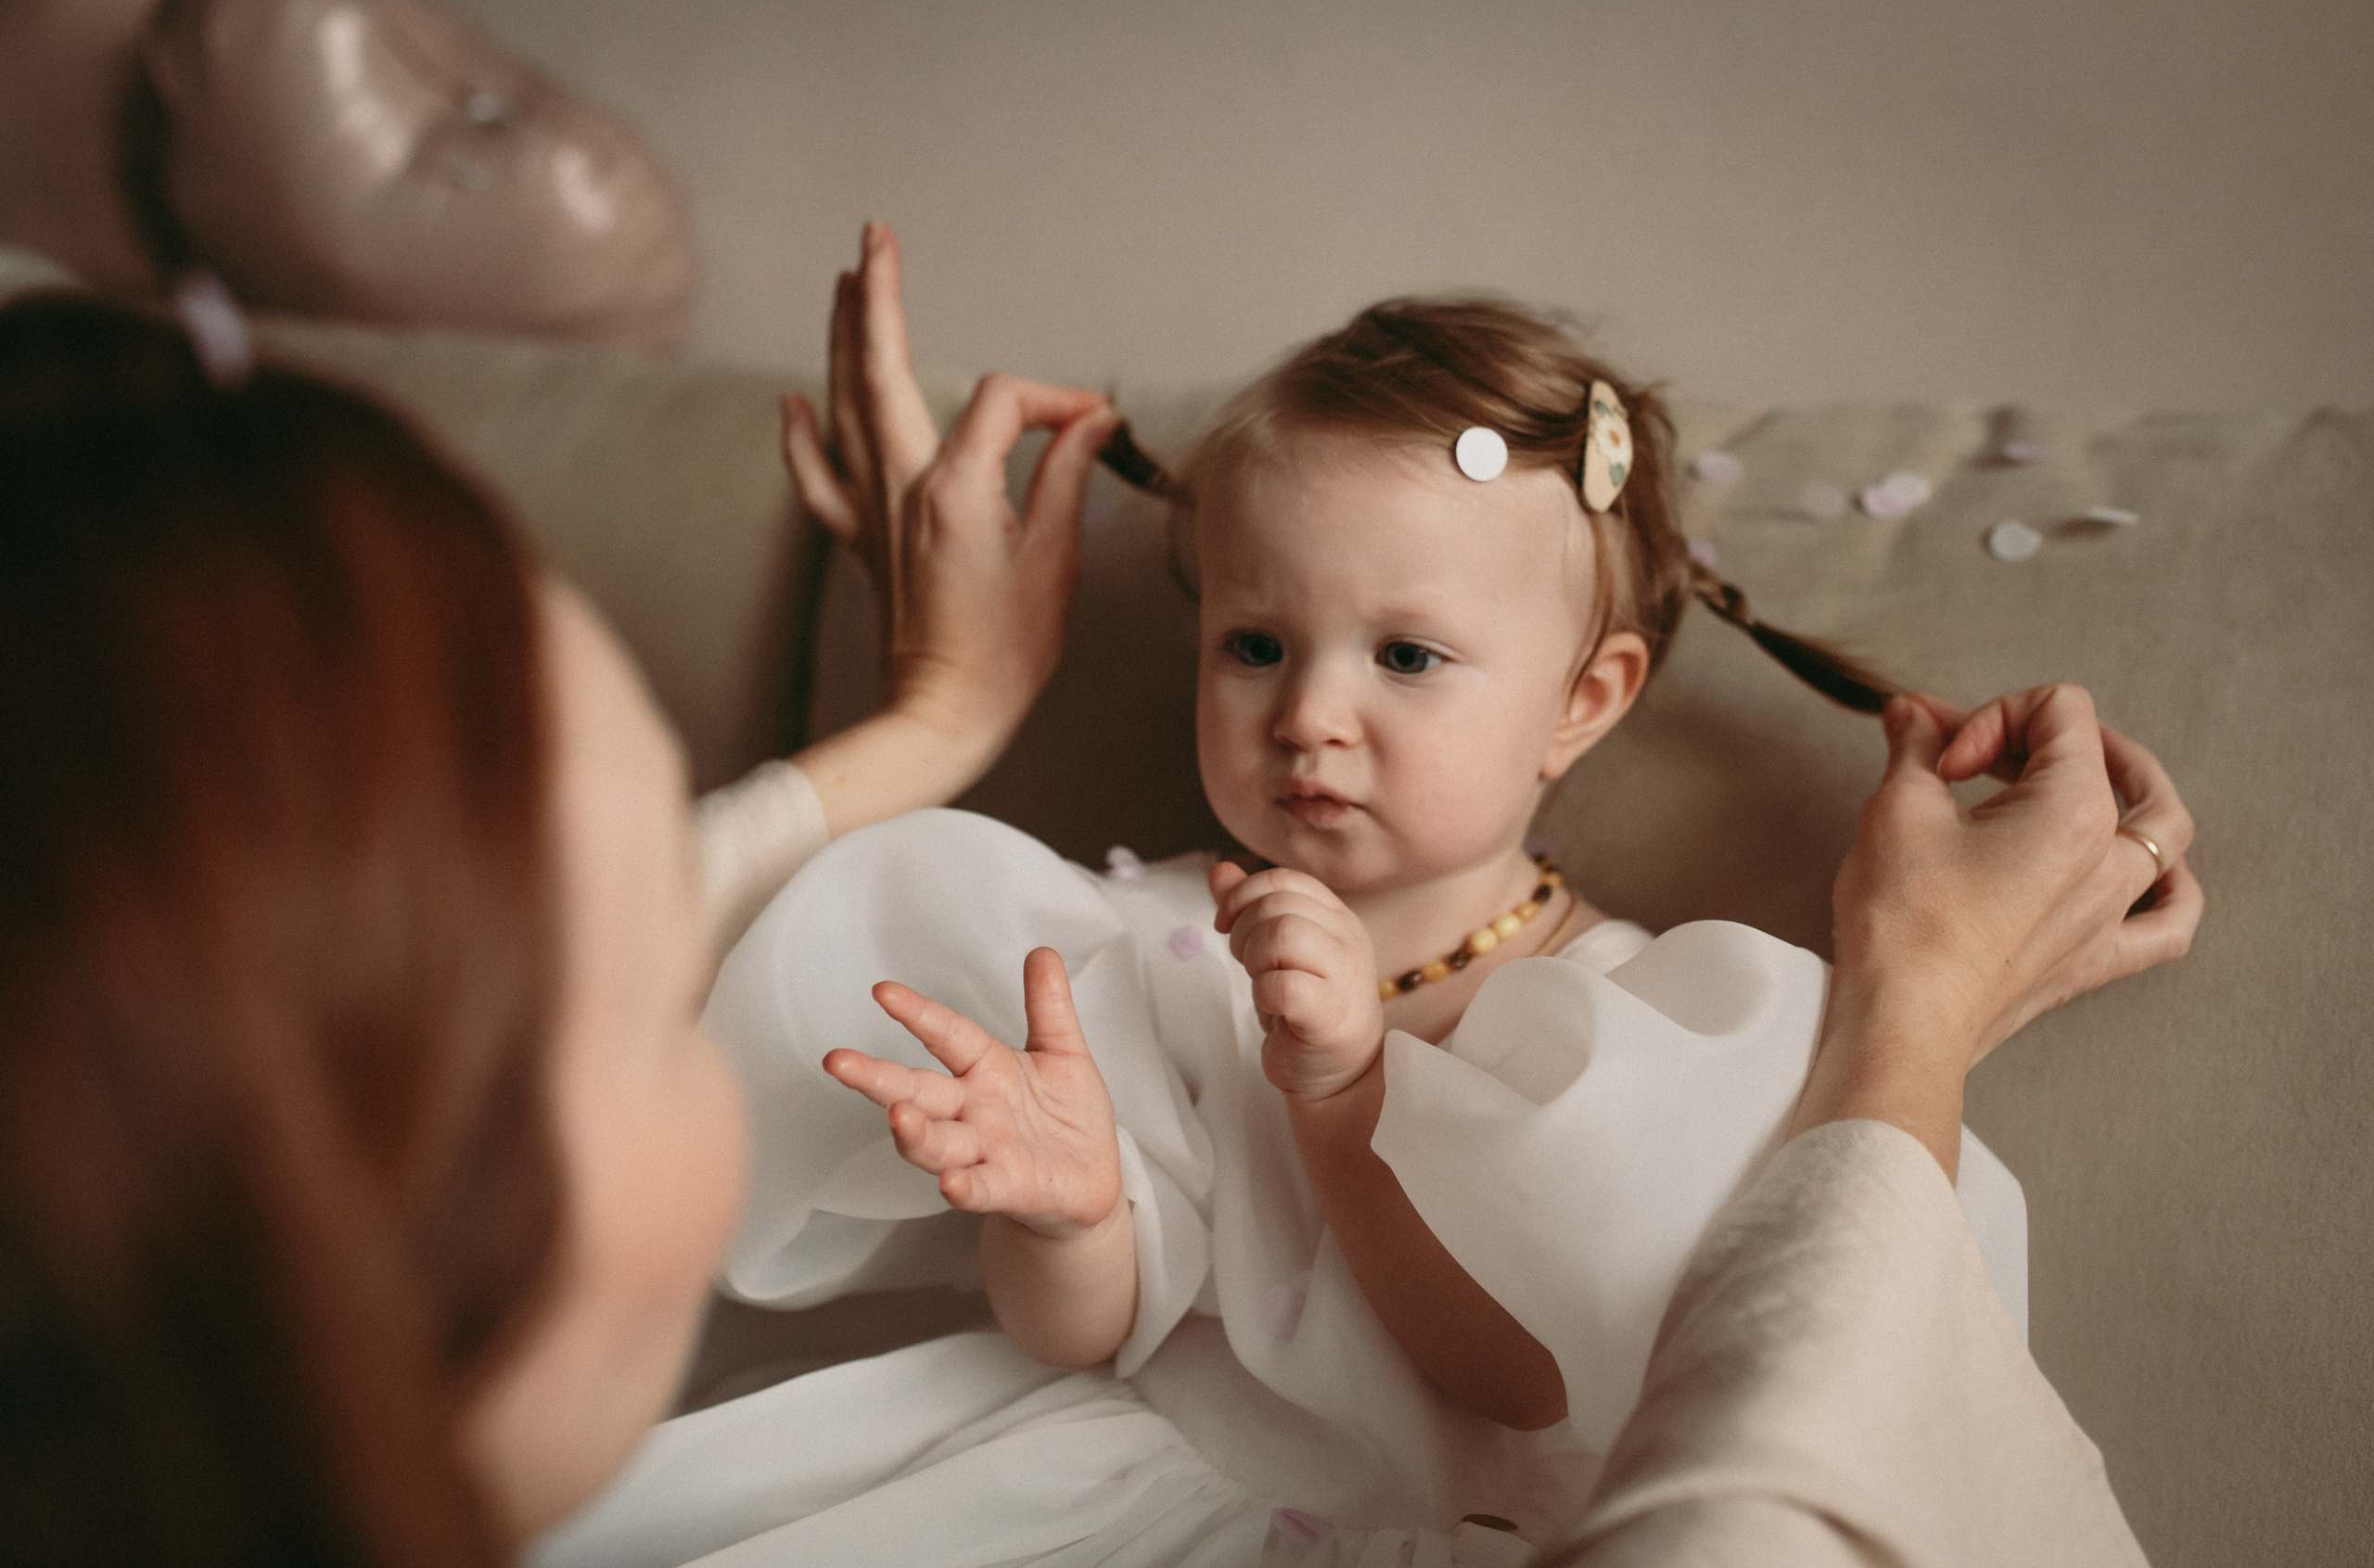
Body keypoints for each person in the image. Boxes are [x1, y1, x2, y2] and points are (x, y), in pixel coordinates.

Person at [0, 222, 2200, 1568]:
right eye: (1254, 645)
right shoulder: (1130, 940)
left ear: (1587, 697)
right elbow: (1107, 1318)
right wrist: (1063, 1216)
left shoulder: (1652, 1025)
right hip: (1129, 1496)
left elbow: (1530, 1386)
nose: (1309, 717)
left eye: (1409, 659)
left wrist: (1343, 1100)